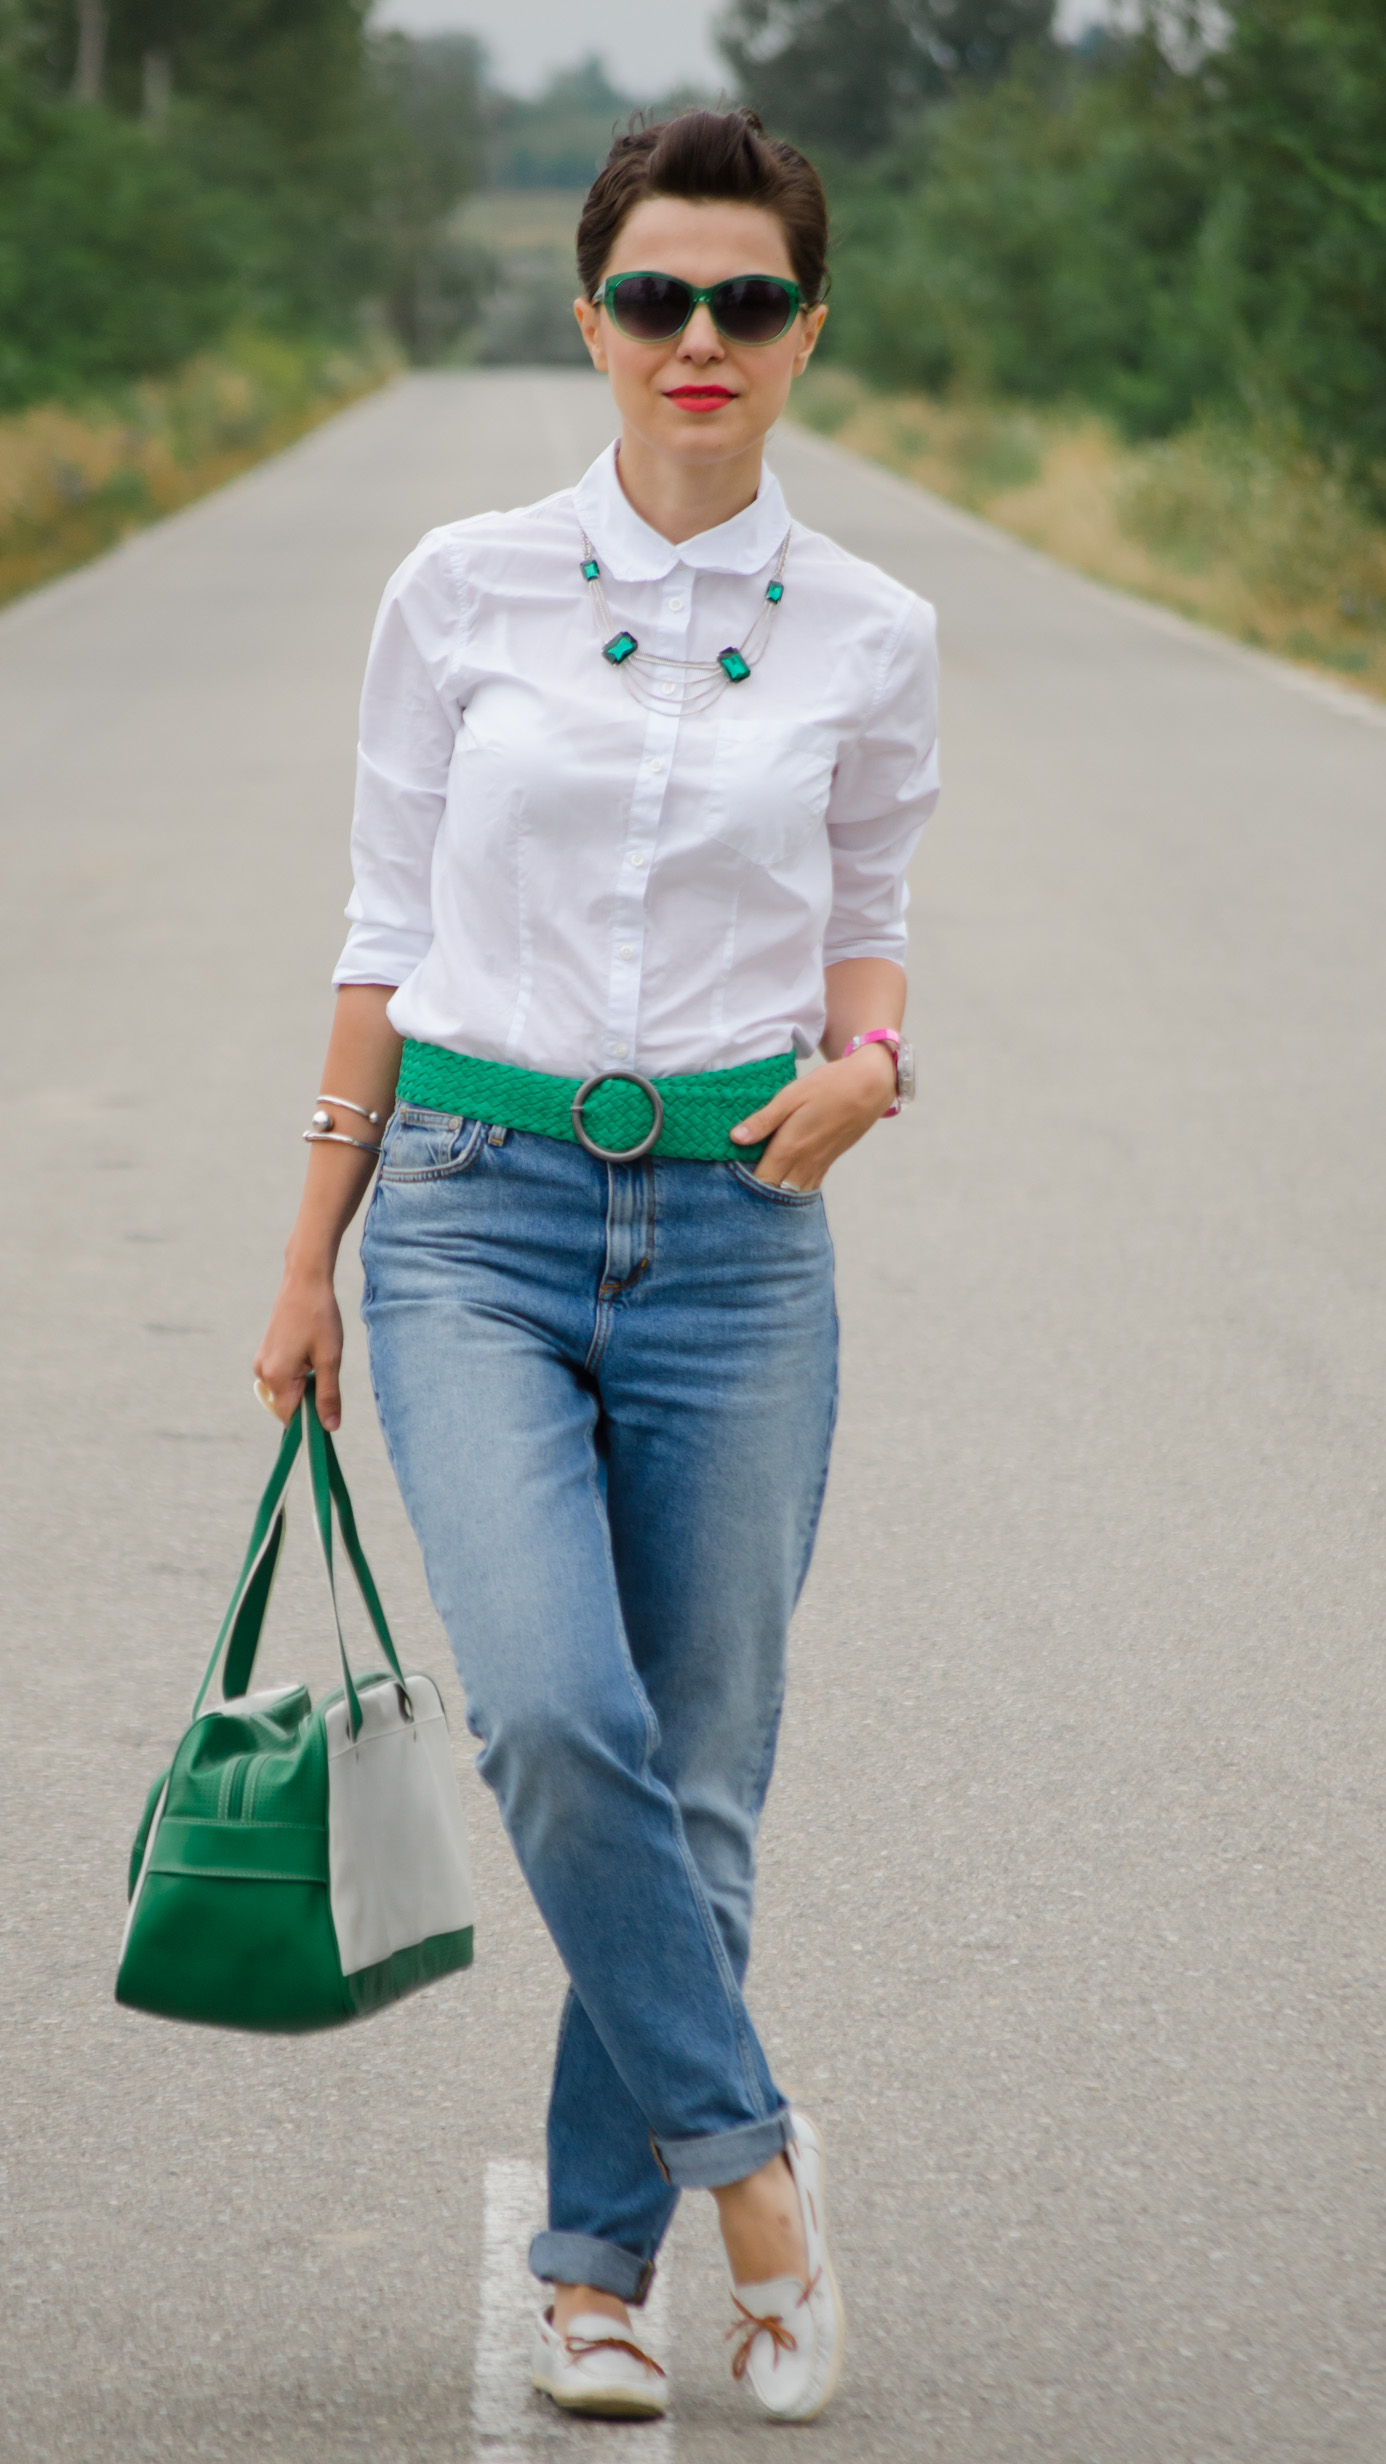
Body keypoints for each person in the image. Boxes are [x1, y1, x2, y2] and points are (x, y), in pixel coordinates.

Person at [254, 104, 938, 2427]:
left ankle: (587, 2267)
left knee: (702, 1759)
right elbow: (378, 926)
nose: (701, 338)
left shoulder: (873, 628)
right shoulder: (460, 589)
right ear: (591, 319)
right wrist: (307, 1254)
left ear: (807, 327)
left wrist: (870, 1066)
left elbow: (871, 949)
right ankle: (756, 2186)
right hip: (470, 1205)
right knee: (560, 1710)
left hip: (743, 1237)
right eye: (658, 296)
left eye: (749, 299)